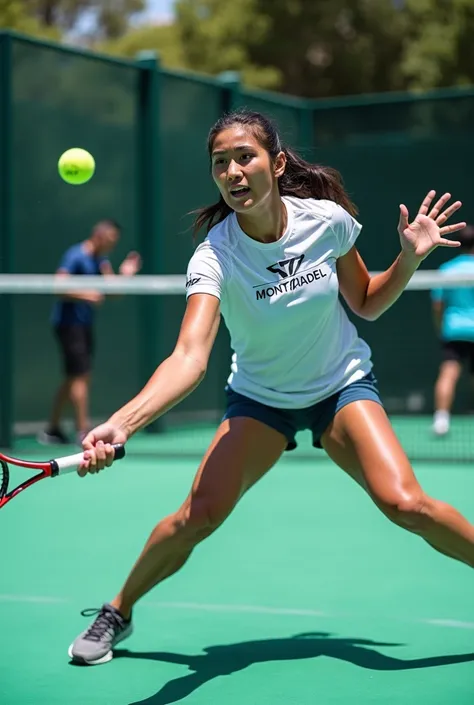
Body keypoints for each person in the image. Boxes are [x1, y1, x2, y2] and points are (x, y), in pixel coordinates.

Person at [68, 109, 474, 667]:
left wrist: (407, 258)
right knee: (197, 517)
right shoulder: (215, 255)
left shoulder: (326, 221)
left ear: (276, 163)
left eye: (245, 157)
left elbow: (368, 302)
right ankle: (118, 609)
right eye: (220, 164)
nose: (233, 172)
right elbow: (189, 357)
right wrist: (123, 422)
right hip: (261, 400)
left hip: (340, 386)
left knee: (407, 504)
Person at [39, 219, 142, 447]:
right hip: (68, 325)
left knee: (72, 378)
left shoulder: (101, 261)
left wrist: (126, 275)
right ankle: (83, 432)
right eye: (110, 240)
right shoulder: (75, 255)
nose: (112, 246)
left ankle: (52, 429)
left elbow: (112, 293)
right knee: (81, 376)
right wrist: (87, 294)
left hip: (84, 326)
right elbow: (58, 285)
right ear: (98, 236)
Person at [431, 225, 474, 435]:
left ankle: (441, 420)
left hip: (454, 329)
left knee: (448, 373)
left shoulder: (446, 269)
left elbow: (438, 305)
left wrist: (441, 327)